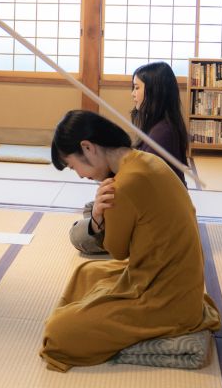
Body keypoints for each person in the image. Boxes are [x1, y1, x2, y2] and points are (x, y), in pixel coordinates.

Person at [41, 110, 221, 372]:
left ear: (88, 148)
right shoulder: (145, 160)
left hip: (166, 301)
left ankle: (146, 336)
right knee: (86, 272)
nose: (79, 175)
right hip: (179, 283)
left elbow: (117, 251)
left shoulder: (123, 185)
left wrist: (99, 217)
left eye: (73, 166)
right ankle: (90, 316)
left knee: (57, 334)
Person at [69, 61, 189, 254]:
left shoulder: (162, 134)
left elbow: (140, 183)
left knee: (78, 236)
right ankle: (96, 223)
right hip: (161, 209)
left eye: (137, 88)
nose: (133, 94)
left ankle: (99, 229)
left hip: (159, 219)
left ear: (154, 90)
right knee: (91, 207)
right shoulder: (161, 126)